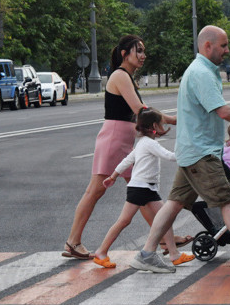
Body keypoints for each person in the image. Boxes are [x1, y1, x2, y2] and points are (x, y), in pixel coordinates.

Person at [131, 25, 230, 274]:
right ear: (207, 46)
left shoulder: (200, 71)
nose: (227, 50)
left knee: (174, 204)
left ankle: (146, 254)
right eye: (223, 45)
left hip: (192, 151)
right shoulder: (201, 73)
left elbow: (195, 114)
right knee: (227, 201)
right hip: (201, 154)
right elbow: (222, 111)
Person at [63, 35, 189, 260]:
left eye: (143, 51)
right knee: (96, 191)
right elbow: (140, 109)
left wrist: (166, 120)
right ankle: (73, 241)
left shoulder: (127, 77)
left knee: (142, 192)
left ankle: (163, 237)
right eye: (138, 51)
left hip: (123, 140)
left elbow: (141, 111)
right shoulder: (120, 76)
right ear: (124, 54)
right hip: (114, 139)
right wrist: (171, 119)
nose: (143, 55)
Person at [93, 107, 195, 268]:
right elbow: (169, 156)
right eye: (161, 124)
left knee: (164, 218)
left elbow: (127, 160)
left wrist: (113, 176)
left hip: (146, 188)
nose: (163, 127)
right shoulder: (149, 144)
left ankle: (174, 254)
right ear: (154, 126)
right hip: (141, 188)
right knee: (125, 221)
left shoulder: (142, 143)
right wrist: (189, 153)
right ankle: (101, 252)